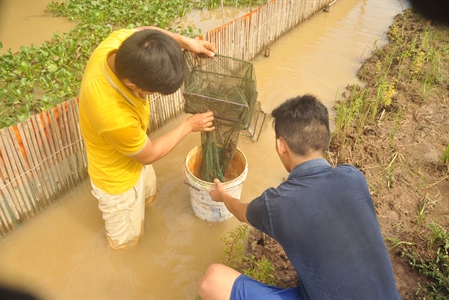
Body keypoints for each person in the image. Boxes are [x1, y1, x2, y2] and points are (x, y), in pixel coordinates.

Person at [199, 95, 401, 299]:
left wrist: (222, 195)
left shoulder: (278, 204)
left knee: (212, 280)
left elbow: (241, 212)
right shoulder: (353, 176)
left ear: (281, 146)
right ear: (325, 139)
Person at [79, 27, 216, 250]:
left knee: (150, 199)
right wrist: (188, 125)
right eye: (154, 91)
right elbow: (149, 154)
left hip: (135, 149)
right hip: (119, 181)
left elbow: (146, 33)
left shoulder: (120, 47)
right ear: (133, 85)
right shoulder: (113, 115)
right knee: (126, 243)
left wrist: (187, 42)